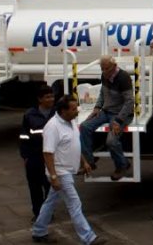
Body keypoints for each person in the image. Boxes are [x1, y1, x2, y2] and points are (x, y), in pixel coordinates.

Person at [32, 96, 107, 245]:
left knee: (50, 202)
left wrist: (84, 161)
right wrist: (53, 176)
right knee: (74, 203)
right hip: (60, 172)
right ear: (63, 111)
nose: (77, 111)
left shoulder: (70, 122)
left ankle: (39, 231)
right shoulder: (52, 127)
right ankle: (88, 238)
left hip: (66, 171)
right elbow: (47, 153)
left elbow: (74, 143)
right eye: (73, 109)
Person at [80, 55, 134, 181]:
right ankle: (90, 162)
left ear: (114, 66)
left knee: (111, 141)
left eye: (106, 69)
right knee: (84, 127)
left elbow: (129, 102)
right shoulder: (104, 75)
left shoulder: (123, 77)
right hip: (106, 111)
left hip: (120, 114)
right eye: (102, 69)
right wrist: (97, 107)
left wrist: (118, 120)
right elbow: (102, 93)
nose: (104, 72)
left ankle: (122, 165)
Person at [20, 84, 55, 222]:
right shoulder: (30, 115)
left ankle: (47, 213)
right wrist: (25, 156)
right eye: (47, 97)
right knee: (35, 187)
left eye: (52, 96)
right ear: (40, 99)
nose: (51, 99)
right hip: (34, 157)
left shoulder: (57, 113)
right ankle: (38, 213)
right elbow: (23, 137)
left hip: (51, 157)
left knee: (49, 186)